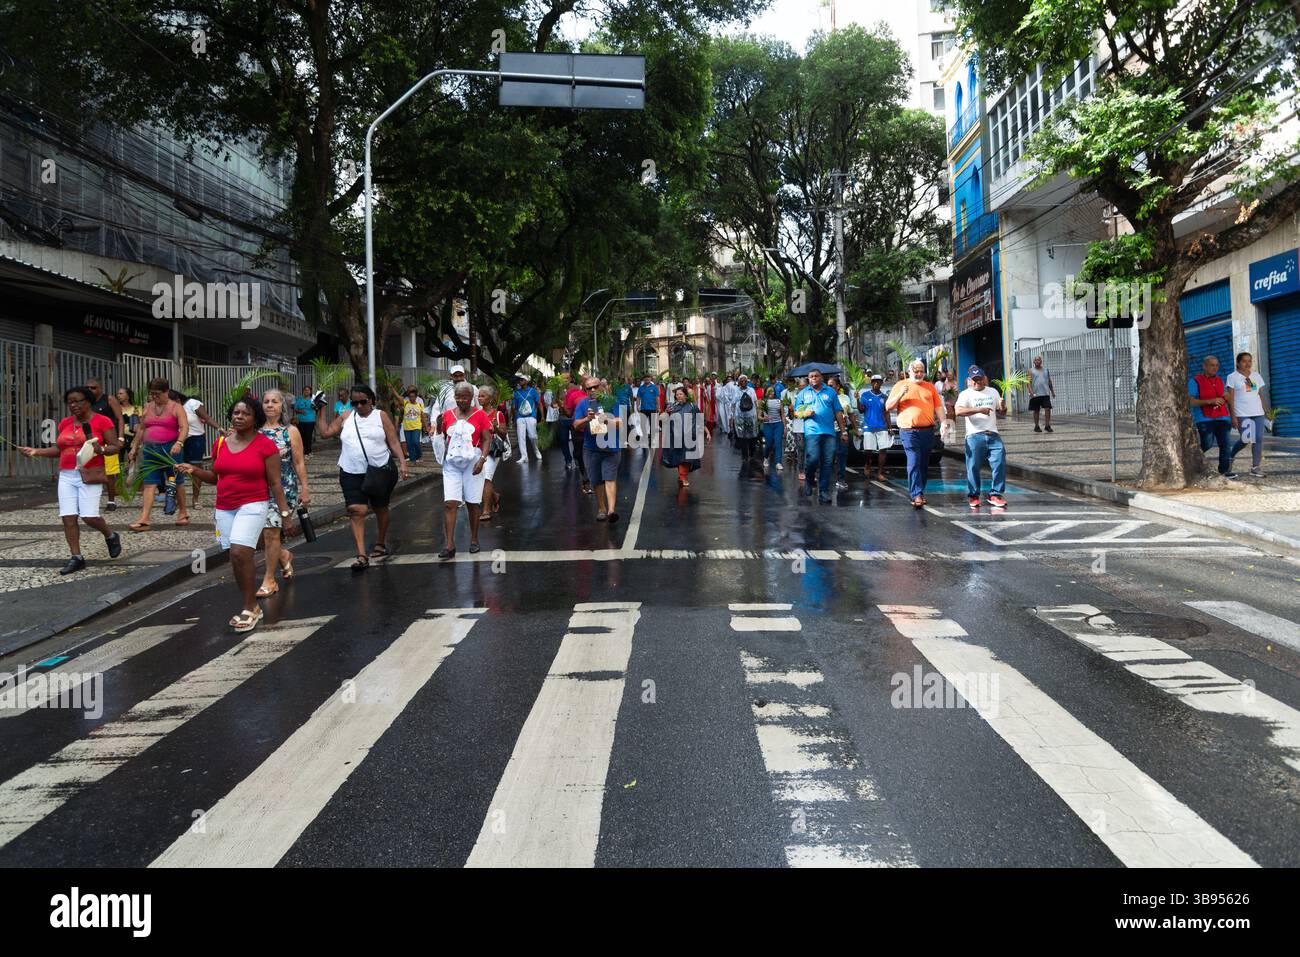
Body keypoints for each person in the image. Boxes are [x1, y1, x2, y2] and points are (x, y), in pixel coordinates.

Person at [175, 398, 290, 633]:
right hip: (224, 507)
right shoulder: (222, 443)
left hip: (254, 504)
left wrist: (285, 514)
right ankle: (253, 601)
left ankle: (250, 607)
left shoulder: (265, 446)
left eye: (244, 414)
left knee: (240, 551)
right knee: (236, 557)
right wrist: (194, 470)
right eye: (235, 413)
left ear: (255, 418)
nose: (238, 417)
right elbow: (216, 477)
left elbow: (276, 483)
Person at [18, 386, 124, 575]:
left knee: (89, 516)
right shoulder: (65, 423)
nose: (74, 405)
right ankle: (76, 557)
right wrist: (36, 451)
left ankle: (110, 534)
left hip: (90, 474)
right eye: (70, 402)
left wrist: (101, 450)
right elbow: (59, 450)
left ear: (89, 401)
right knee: (68, 517)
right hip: (67, 475)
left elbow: (115, 446)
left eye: (78, 401)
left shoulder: (102, 421)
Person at [316, 384, 408, 569]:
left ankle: (380, 543)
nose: (358, 406)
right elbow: (325, 433)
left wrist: (403, 462)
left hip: (379, 470)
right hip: (350, 471)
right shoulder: (346, 416)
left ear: (371, 400)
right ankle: (361, 555)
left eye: (362, 402)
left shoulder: (380, 416)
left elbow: (393, 440)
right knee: (357, 510)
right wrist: (321, 410)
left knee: (380, 507)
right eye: (354, 402)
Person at [255, 389, 310, 598]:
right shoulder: (255, 432)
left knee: (271, 532)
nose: (270, 405)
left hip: (284, 488)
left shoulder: (290, 431)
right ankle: (284, 555)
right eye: (266, 401)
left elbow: (298, 462)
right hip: (258, 488)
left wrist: (305, 488)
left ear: (281, 406)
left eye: (274, 402)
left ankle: (269, 580)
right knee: (262, 537)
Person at [434, 382, 494, 557]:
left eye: (465, 396)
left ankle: (474, 540)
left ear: (472, 398)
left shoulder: (480, 414)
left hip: (473, 462)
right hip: (452, 463)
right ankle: (450, 545)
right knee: (449, 503)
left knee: (472, 503)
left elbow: (486, 439)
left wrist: (482, 460)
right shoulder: (447, 415)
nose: (461, 400)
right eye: (458, 396)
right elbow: (441, 439)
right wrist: (438, 426)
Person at [126, 378, 191, 531]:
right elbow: (141, 428)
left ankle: (183, 512)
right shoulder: (148, 407)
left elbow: (184, 427)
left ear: (166, 392)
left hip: (170, 449)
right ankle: (145, 517)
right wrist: (134, 447)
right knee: (149, 483)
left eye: (157, 394)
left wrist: (179, 443)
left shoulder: (176, 407)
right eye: (152, 394)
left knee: (176, 481)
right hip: (150, 449)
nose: (154, 397)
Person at [886, 360, 945, 508]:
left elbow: (938, 407)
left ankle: (920, 491)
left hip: (927, 431)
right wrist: (901, 393)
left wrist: (944, 423)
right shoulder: (900, 385)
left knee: (924, 464)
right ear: (909, 372)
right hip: (908, 431)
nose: (919, 374)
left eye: (921, 371)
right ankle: (916, 494)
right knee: (913, 461)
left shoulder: (930, 387)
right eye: (916, 371)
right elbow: (888, 407)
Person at [574, 378, 626, 523]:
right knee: (596, 480)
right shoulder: (583, 404)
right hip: (591, 449)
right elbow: (576, 425)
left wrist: (605, 420)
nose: (592, 390)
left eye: (595, 387)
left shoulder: (611, 401)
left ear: (601, 387)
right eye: (588, 388)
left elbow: (620, 422)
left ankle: (611, 510)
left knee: (609, 477)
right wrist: (587, 419)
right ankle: (602, 509)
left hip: (611, 448)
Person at [955, 368, 1008, 510]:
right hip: (974, 435)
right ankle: (973, 496)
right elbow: (958, 411)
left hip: (993, 434)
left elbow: (1002, 412)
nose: (977, 381)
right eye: (974, 379)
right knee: (973, 467)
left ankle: (995, 494)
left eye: (979, 378)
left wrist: (1003, 407)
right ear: (970, 381)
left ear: (984, 378)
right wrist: (978, 410)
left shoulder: (993, 392)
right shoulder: (965, 394)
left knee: (999, 463)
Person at [794, 369, 847, 504]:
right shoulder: (803, 393)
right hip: (812, 432)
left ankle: (823, 491)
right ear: (808, 378)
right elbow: (796, 413)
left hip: (829, 432)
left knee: (828, 462)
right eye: (811, 376)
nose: (814, 378)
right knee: (812, 458)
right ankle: (809, 480)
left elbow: (838, 412)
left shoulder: (830, 392)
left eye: (816, 376)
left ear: (821, 377)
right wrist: (806, 413)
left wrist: (843, 431)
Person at [1189, 355, 1235, 478]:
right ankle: (1190, 461)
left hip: (1223, 418)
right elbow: (1191, 402)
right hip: (1205, 419)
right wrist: (1210, 401)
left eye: (1217, 365)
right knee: (1207, 444)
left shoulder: (1220, 380)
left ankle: (1224, 471)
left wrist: (1227, 398)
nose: (1215, 368)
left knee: (1225, 445)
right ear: (1204, 366)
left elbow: (1226, 395)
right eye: (1212, 365)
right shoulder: (1195, 381)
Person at [1226, 351, 1270, 478]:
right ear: (1238, 363)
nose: (1247, 363)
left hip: (1258, 412)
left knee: (1258, 439)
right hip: (1241, 413)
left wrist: (1266, 411)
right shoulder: (1232, 377)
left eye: (1249, 361)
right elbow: (1231, 398)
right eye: (1244, 361)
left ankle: (1255, 467)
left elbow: (1260, 394)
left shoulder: (1256, 376)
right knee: (1246, 439)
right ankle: (1230, 457)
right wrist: (1233, 416)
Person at [85, 378, 123, 512]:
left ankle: (111, 500)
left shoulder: (109, 399)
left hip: (108, 440)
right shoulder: (86, 402)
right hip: (91, 440)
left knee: (110, 472)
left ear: (100, 388)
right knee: (89, 469)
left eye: (93, 388)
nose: (90, 390)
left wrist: (121, 437)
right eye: (87, 387)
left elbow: (120, 418)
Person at [178, 391, 219, 508]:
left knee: (196, 469)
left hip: (195, 439)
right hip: (179, 440)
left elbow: (206, 418)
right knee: (177, 467)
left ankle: (195, 499)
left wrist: (219, 428)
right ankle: (177, 498)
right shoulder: (172, 408)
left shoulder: (192, 403)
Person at [660, 385, 705, 488]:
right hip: (676, 437)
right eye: (677, 395)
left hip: (690, 436)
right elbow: (662, 419)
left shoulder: (693, 406)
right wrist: (666, 412)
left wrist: (706, 431)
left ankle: (683, 475)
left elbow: (699, 419)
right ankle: (683, 476)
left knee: (687, 458)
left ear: (685, 395)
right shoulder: (672, 406)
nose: (679, 396)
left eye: (681, 394)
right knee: (679, 457)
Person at [478, 385, 509, 521]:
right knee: (480, 479)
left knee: (486, 478)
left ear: (490, 399)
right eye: (479, 395)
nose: (479, 398)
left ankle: (486, 510)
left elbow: (503, 434)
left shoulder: (498, 414)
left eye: (483, 396)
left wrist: (495, 428)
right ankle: (495, 495)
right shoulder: (476, 413)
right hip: (478, 449)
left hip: (492, 450)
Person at [859, 374, 892, 482]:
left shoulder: (884, 397)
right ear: (871, 383)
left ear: (881, 383)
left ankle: (879, 473)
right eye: (874, 381)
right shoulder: (865, 395)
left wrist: (890, 427)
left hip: (882, 426)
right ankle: (868, 464)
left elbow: (887, 413)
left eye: (878, 381)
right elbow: (861, 410)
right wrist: (857, 400)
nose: (876, 383)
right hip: (869, 426)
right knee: (868, 450)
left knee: (883, 449)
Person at [565, 375, 592, 492]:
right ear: (582, 382)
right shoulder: (574, 394)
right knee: (579, 454)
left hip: (593, 431)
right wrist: (561, 405)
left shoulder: (597, 395)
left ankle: (589, 478)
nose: (587, 382)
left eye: (589, 379)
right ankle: (585, 477)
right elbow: (569, 413)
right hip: (578, 430)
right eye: (585, 380)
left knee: (592, 455)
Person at [512, 374, 543, 461]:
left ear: (526, 381)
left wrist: (542, 416)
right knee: (521, 436)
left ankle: (536, 450)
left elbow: (539, 403)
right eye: (519, 380)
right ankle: (524, 456)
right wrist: (514, 418)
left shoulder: (533, 391)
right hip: (519, 417)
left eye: (522, 380)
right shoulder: (516, 392)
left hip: (531, 416)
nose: (520, 381)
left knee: (532, 436)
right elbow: (514, 407)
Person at [829, 376, 852, 490]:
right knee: (829, 455)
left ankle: (841, 479)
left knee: (842, 454)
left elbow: (851, 413)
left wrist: (856, 429)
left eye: (831, 385)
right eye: (827, 386)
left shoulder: (846, 398)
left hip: (842, 430)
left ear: (838, 386)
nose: (829, 388)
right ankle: (824, 478)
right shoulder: (826, 398)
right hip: (829, 431)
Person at [760, 378, 786, 472]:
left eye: (773, 391)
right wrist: (763, 418)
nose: (771, 393)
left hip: (778, 424)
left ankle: (778, 462)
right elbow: (759, 416)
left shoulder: (779, 401)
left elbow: (782, 415)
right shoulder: (763, 402)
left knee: (778, 443)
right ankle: (766, 457)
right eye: (769, 391)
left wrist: (785, 427)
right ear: (766, 392)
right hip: (768, 425)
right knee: (769, 444)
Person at [734, 374, 760, 464]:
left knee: (752, 436)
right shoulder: (736, 391)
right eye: (741, 380)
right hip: (740, 417)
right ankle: (745, 456)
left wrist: (758, 415)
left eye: (745, 380)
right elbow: (733, 404)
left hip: (751, 416)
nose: (743, 382)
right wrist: (733, 417)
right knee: (742, 437)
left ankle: (752, 453)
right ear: (739, 382)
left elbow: (756, 403)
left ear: (747, 381)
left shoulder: (751, 390)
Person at [785, 378, 807, 478]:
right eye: (800, 387)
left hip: (811, 427)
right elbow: (790, 417)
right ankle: (801, 470)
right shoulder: (794, 398)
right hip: (798, 428)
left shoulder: (812, 397)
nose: (801, 389)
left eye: (804, 387)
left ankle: (811, 471)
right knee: (801, 449)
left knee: (811, 450)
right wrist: (790, 411)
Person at [1029, 356, 1055, 433]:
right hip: (1035, 394)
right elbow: (1028, 383)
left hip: (1045, 393)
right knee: (1036, 410)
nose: (1038, 361)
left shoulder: (1046, 370)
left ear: (1041, 361)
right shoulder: (1031, 371)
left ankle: (1047, 425)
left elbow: (1049, 381)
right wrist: (1031, 392)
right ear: (1034, 362)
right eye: (1036, 360)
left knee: (1048, 408)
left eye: (1039, 360)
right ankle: (1036, 426)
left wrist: (1052, 391)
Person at [400, 386, 427, 463]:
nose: (411, 398)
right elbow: (398, 398)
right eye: (410, 395)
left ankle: (418, 455)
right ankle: (412, 459)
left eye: (413, 395)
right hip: (407, 426)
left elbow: (422, 415)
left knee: (415, 441)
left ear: (416, 396)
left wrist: (425, 427)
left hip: (417, 426)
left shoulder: (420, 402)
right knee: (409, 444)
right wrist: (392, 389)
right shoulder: (406, 401)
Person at [293, 387, 317, 456]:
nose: (306, 391)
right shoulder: (299, 399)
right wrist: (300, 411)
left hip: (310, 420)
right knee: (302, 436)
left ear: (310, 391)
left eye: (308, 390)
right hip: (300, 421)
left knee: (308, 436)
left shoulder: (313, 400)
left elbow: (317, 408)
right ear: (303, 391)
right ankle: (304, 451)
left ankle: (308, 451)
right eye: (305, 390)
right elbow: (295, 409)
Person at [700, 373, 718, 439]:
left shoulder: (713, 386)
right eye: (706, 380)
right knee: (706, 416)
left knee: (711, 416)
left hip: (712, 403)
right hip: (706, 403)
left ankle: (710, 430)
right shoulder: (703, 387)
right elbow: (703, 395)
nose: (707, 381)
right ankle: (706, 430)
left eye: (708, 380)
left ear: (710, 380)